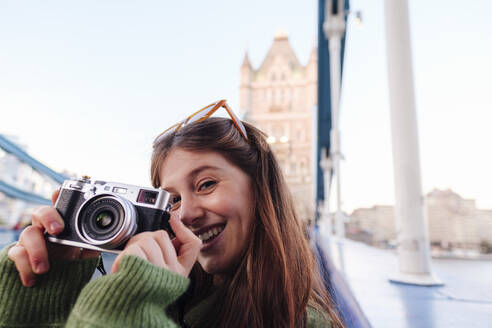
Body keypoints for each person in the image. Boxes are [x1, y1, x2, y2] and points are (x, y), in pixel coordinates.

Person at [0, 100, 344, 328]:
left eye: (207, 184)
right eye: (173, 200)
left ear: (261, 191)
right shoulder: (177, 297)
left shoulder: (301, 322)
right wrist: (40, 293)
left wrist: (124, 310)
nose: (188, 213)